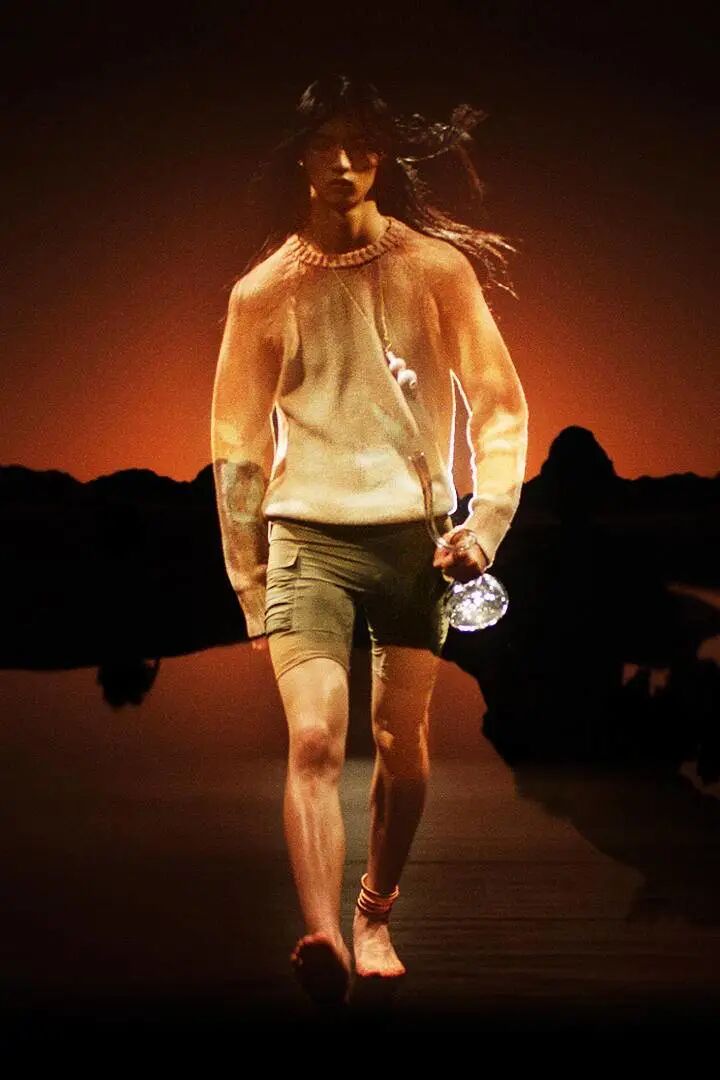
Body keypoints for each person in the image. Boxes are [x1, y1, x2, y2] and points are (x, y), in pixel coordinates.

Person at [210, 74, 529, 1006]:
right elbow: (236, 450)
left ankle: (374, 910)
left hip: (415, 548)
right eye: (326, 145)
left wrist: (486, 524)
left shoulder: (436, 270)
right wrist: (248, 581)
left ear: (381, 157)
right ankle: (319, 933)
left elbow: (499, 406)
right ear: (301, 158)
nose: (344, 163)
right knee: (313, 738)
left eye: (361, 146)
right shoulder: (262, 293)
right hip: (306, 540)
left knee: (402, 744)